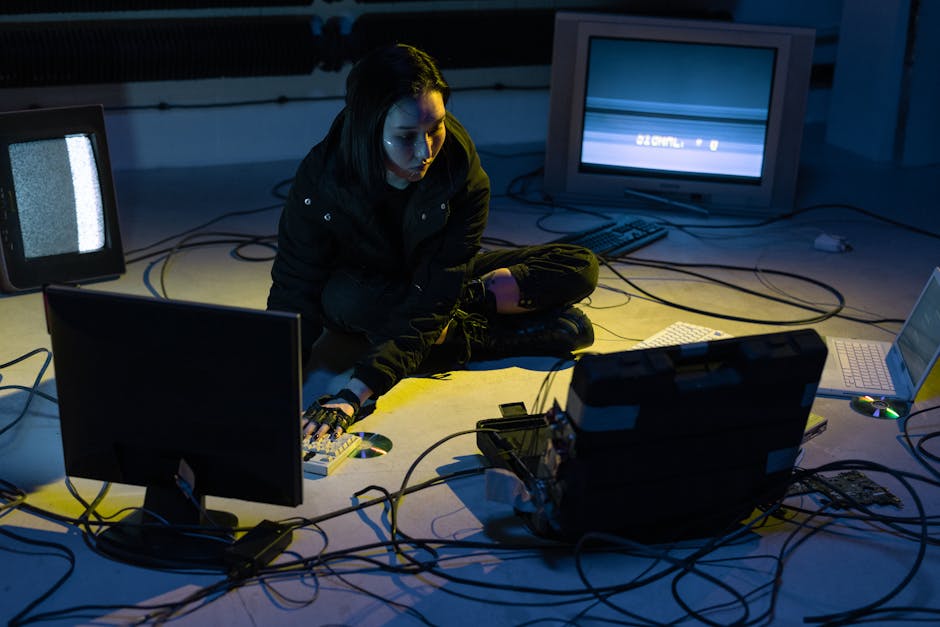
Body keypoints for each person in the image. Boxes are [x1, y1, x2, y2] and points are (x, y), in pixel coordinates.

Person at [267, 43, 599, 440]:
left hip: (433, 280)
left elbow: (444, 276)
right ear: (369, 130)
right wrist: (280, 382)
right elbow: (295, 285)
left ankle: (455, 316)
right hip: (366, 291)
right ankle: (476, 335)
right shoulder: (322, 178)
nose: (425, 151)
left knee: (580, 265)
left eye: (435, 128)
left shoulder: (460, 170)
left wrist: (357, 390)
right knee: (344, 299)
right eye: (406, 136)